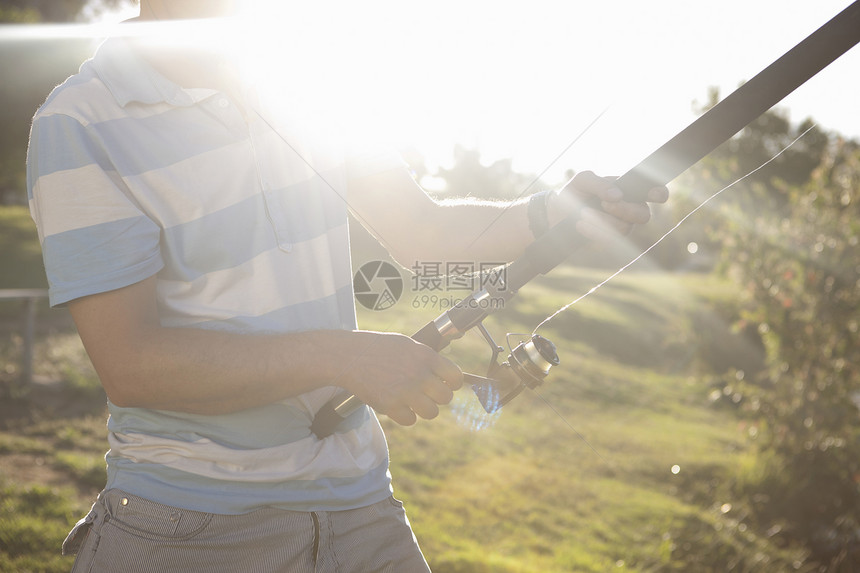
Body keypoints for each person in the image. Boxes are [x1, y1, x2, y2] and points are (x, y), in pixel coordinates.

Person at [26, 1, 668, 571]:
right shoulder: (80, 121)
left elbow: (421, 228)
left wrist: (551, 213)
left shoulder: (306, 82)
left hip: (359, 506)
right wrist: (342, 356)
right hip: (187, 524)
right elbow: (133, 366)